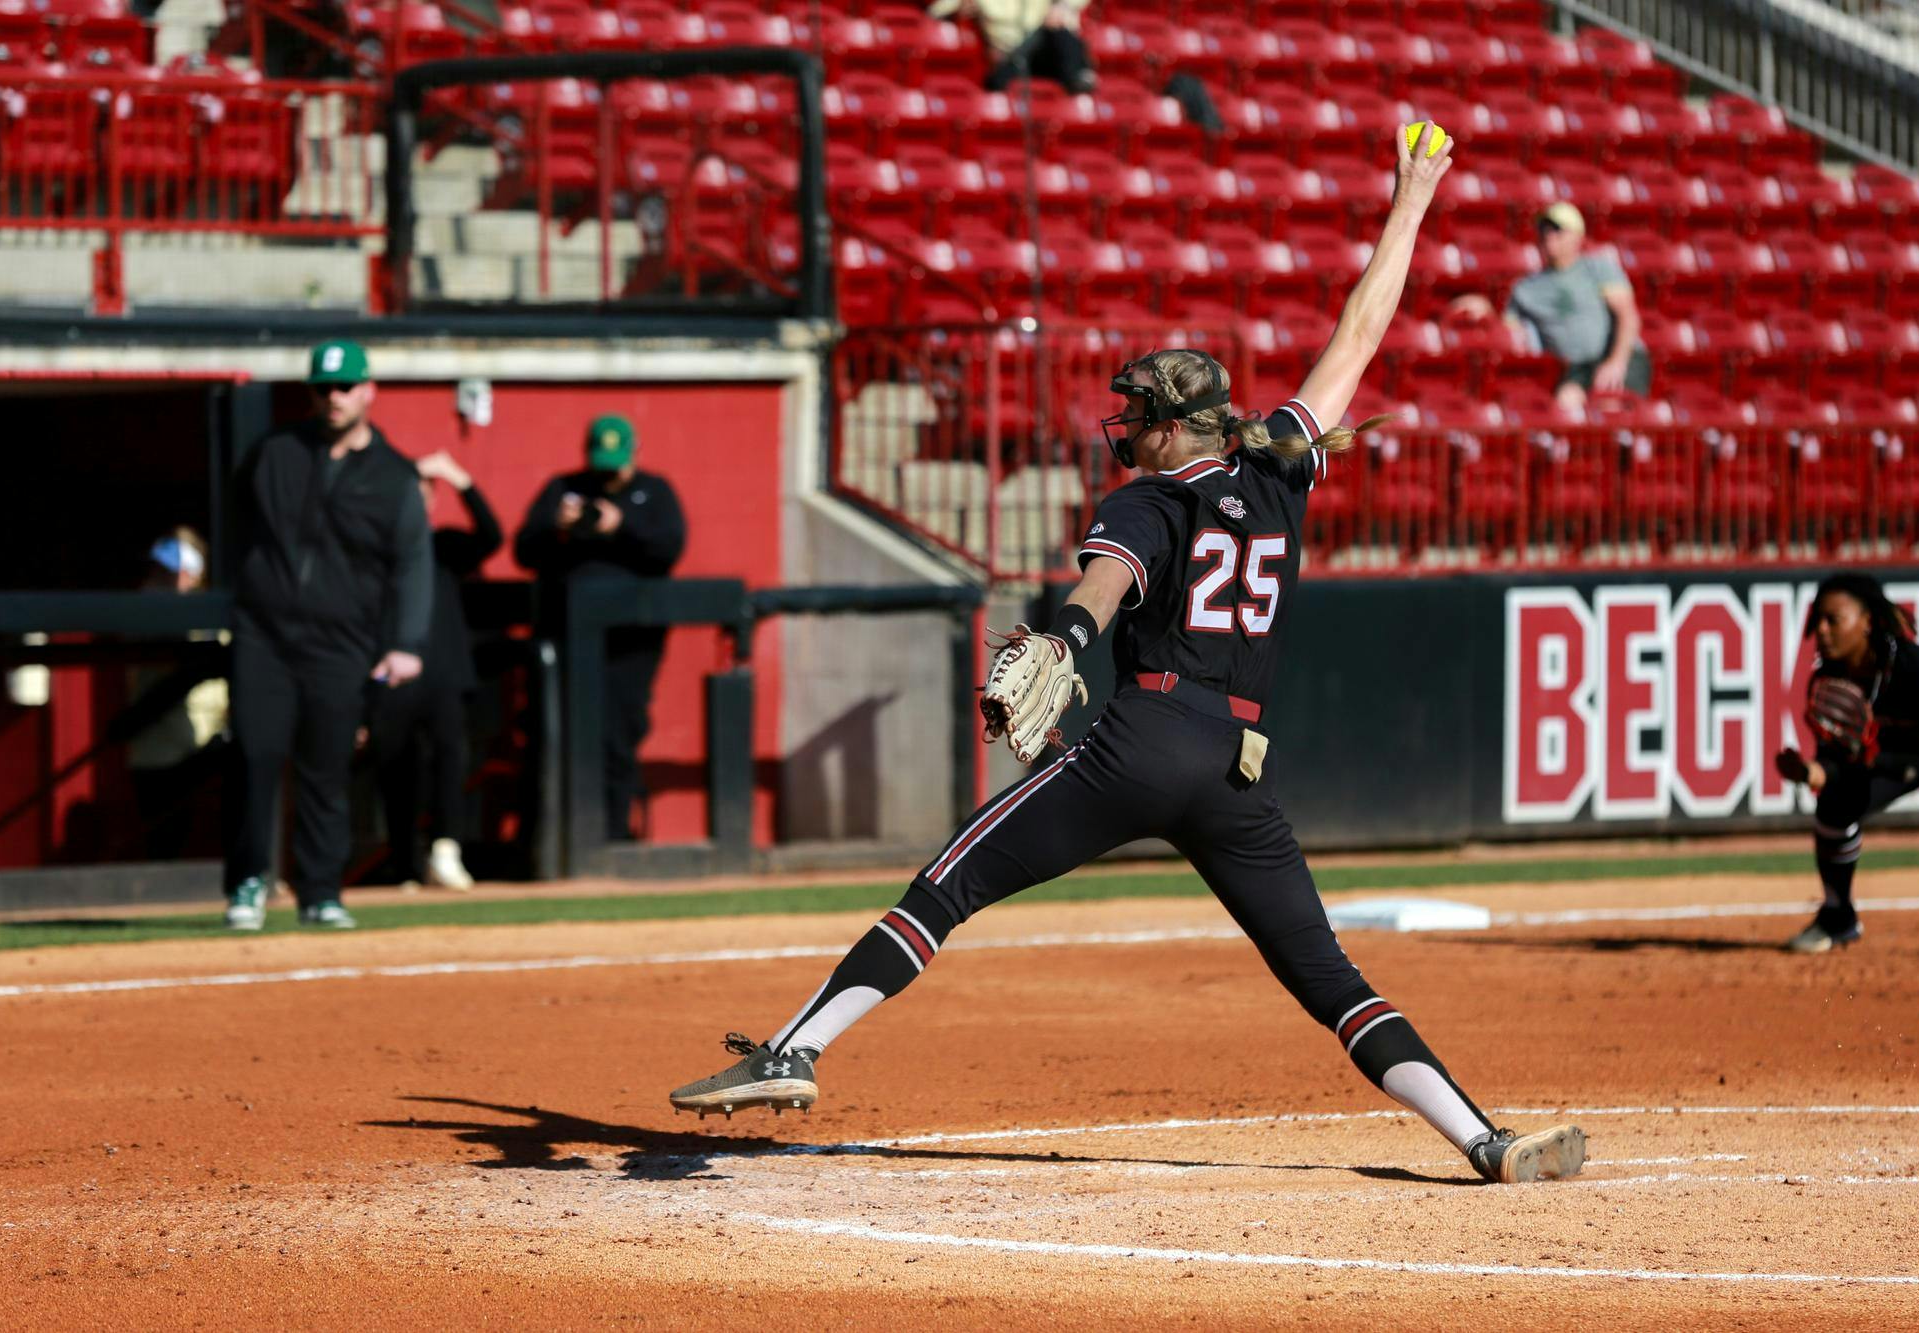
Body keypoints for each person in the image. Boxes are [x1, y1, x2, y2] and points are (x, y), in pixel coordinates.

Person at [670, 130, 1588, 1185]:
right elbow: (1358, 333)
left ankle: (795, 1047)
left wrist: (1061, 638)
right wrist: (1412, 198)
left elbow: (1103, 588)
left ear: (1167, 430)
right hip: (1238, 765)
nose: (1123, 427)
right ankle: (1482, 1138)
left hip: (1143, 738)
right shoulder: (1277, 473)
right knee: (1326, 975)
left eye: (1135, 415)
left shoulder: (1148, 496)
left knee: (946, 883)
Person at [223, 339, 432, 931]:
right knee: (255, 753)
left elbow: (413, 564)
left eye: (344, 387)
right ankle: (247, 881)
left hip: (342, 640)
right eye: (323, 387)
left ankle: (320, 890)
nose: (333, 398)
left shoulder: (394, 478)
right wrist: (241, 593)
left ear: (368, 391)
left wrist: (406, 642)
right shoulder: (274, 453)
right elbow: (236, 522)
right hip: (265, 632)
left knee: (326, 764)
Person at [514, 414, 686, 842]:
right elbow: (524, 550)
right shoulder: (564, 488)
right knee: (555, 735)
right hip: (569, 638)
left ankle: (611, 837)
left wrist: (620, 526)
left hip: (630, 644)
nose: (607, 472)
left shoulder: (654, 491)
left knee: (617, 735)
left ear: (635, 452)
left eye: (616, 462)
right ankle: (550, 837)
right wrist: (560, 527)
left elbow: (668, 549)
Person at [1774, 573, 1919, 953]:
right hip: (1890, 761)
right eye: (1818, 622)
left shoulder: (1918, 670)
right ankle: (1838, 917)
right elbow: (1836, 762)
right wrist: (1810, 772)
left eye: (1834, 620)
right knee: (1834, 806)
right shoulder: (1829, 681)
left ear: (1868, 622)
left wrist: (1883, 760)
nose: (1822, 631)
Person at [369, 450, 502, 891]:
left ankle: (447, 849)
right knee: (396, 768)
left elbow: (491, 534)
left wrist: (457, 477)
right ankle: (405, 861)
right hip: (391, 675)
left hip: (445, 673)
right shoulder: (374, 554)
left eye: (423, 493)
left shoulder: (443, 547)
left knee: (450, 758)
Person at [1447, 201, 1649, 413]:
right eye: (1545, 228)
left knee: (1610, 405)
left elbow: (1628, 316)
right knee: (1565, 405)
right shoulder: (1526, 288)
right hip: (1578, 367)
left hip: (1618, 355)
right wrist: (1486, 310)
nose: (1549, 235)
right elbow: (1512, 331)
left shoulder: (1598, 268)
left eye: (1558, 229)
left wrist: (1617, 361)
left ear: (1577, 237)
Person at [126, 527, 228, 859]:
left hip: (210, 744)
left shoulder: (213, 610)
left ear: (191, 575)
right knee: (164, 845)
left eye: (167, 572)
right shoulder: (146, 606)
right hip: (156, 751)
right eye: (156, 570)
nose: (157, 579)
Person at [928, 0, 1097, 95]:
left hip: (1041, 48)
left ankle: (1078, 80)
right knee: (1001, 81)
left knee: (1061, 32)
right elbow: (936, 10)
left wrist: (1063, 6)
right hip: (1009, 56)